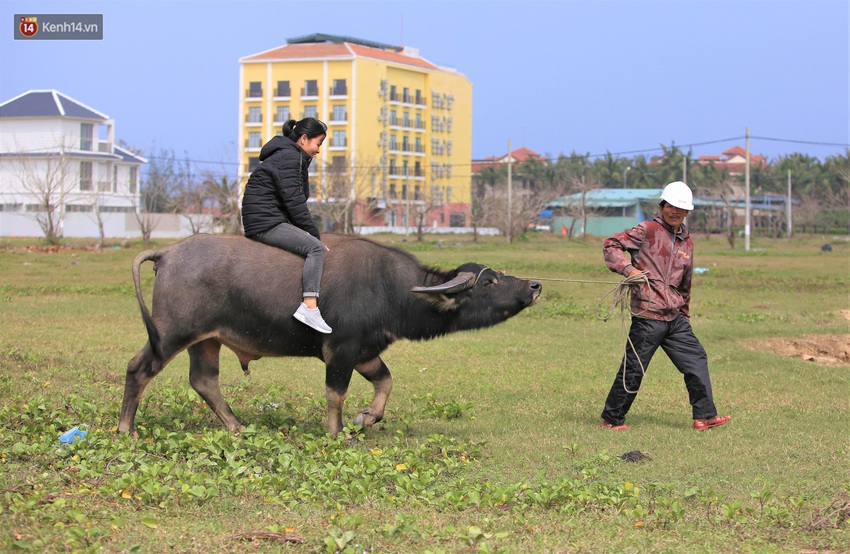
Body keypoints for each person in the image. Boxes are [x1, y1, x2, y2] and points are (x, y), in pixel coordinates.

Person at [600, 181, 730, 431]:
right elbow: (611, 245)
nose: (675, 212)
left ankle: (704, 416)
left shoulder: (687, 242)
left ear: (687, 213)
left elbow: (686, 282)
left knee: (696, 359)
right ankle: (612, 419)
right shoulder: (647, 230)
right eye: (671, 206)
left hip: (675, 317)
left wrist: (685, 314)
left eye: (681, 209)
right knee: (634, 367)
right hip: (648, 314)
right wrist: (628, 269)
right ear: (662, 206)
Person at [241, 118, 332, 334]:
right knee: (315, 249)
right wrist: (315, 237)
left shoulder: (292, 156)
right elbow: (295, 203)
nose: (318, 150)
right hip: (266, 221)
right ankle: (309, 307)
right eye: (318, 144)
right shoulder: (290, 157)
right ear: (303, 139)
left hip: (269, 217)